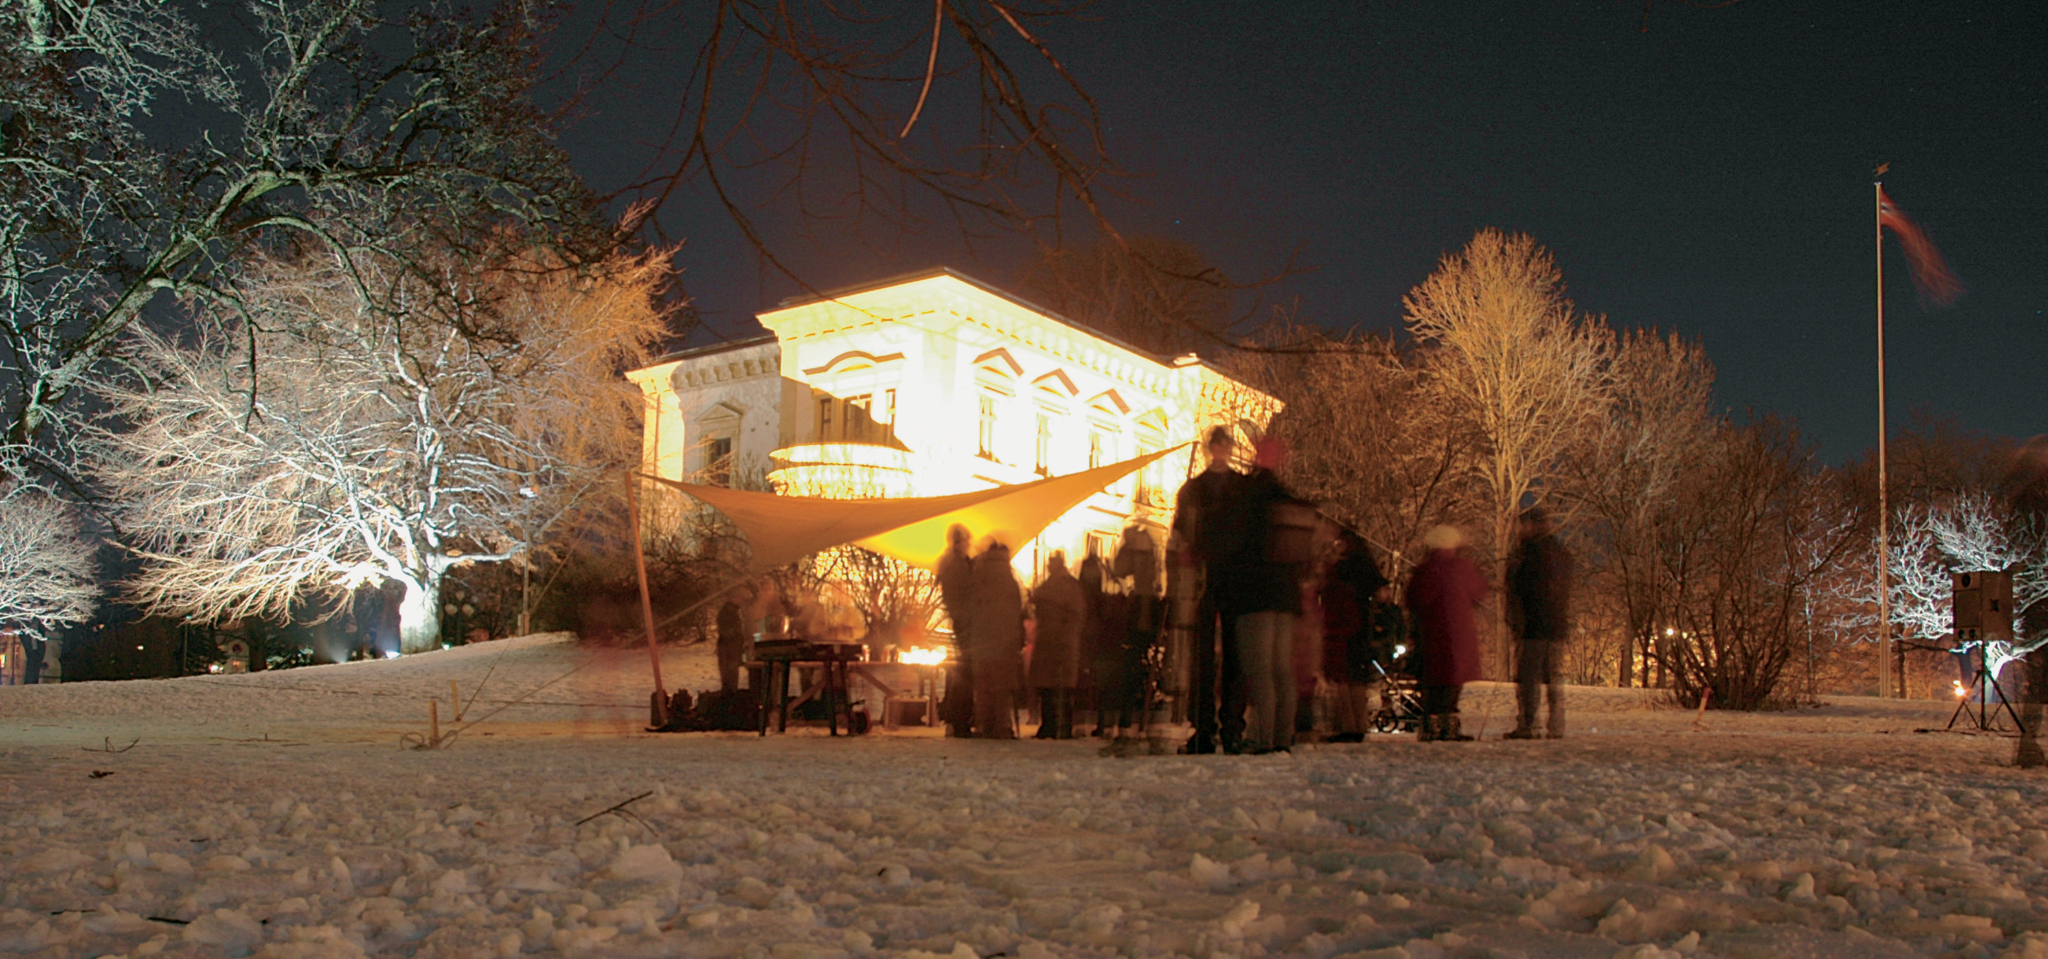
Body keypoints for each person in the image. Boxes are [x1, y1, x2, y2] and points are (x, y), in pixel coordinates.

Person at [1227, 437, 1316, 754]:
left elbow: (1236, 544)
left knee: (1260, 670)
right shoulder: (1289, 500)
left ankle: (1261, 738)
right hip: (1286, 597)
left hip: (1254, 593)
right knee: (1282, 669)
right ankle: (1282, 735)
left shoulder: (1250, 496)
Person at [1171, 425, 1246, 754]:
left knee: (1234, 657)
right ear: (1209, 449)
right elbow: (1179, 533)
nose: (1220, 450)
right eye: (1215, 445)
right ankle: (1204, 728)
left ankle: (1231, 728)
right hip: (1202, 579)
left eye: (1224, 445)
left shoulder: (1240, 489)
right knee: (1201, 658)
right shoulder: (1193, 490)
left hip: (1231, 578)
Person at [1405, 524, 1488, 742]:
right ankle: (1449, 725)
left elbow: (1413, 599)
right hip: (1459, 636)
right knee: (1453, 682)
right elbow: (1479, 590)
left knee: (1432, 681)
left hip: (1430, 634)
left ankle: (1431, 725)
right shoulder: (1462, 567)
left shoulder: (1425, 570)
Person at [1505, 507, 1573, 740]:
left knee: (1529, 678)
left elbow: (1522, 589)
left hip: (1533, 625)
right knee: (1552, 676)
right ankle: (1556, 724)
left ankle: (1529, 724)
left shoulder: (1529, 553)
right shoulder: (1558, 551)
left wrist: (1517, 616)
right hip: (1554, 625)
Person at [1321, 528, 1390, 742]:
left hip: (1344, 626)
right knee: (1357, 677)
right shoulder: (1365, 565)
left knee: (1344, 676)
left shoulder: (1342, 569)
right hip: (1362, 627)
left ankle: (1347, 725)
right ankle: (1358, 724)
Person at [967, 538, 1027, 739]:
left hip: (982, 641)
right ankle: (1002, 725)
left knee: (984, 687)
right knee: (1002, 688)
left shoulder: (979, 575)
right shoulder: (1010, 580)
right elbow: (1017, 612)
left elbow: (972, 607)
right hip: (1006, 643)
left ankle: (985, 724)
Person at [1104, 525, 1161, 735]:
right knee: (1136, 662)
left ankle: (1129, 713)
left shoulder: (1138, 551)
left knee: (1131, 663)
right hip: (1145, 609)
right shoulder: (1149, 550)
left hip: (1140, 612)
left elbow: (1120, 570)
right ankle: (1134, 713)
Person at [1029, 551, 1085, 739]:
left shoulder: (1047, 587)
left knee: (1047, 687)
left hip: (1049, 640)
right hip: (1064, 642)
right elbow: (1078, 616)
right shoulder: (1072, 587)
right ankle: (1062, 726)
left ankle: (1050, 726)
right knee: (1061, 687)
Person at [936, 524, 978, 737]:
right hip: (965, 624)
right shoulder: (957, 566)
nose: (969, 545)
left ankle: (956, 719)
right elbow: (966, 592)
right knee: (964, 673)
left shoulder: (950, 564)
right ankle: (958, 720)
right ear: (959, 542)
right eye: (966, 541)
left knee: (961, 673)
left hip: (961, 622)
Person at [715, 588, 751, 694]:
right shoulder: (727, 612)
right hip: (728, 649)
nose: (742, 601)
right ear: (735, 597)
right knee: (729, 678)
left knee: (732, 677)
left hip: (732, 649)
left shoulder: (734, 611)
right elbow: (726, 631)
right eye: (741, 598)